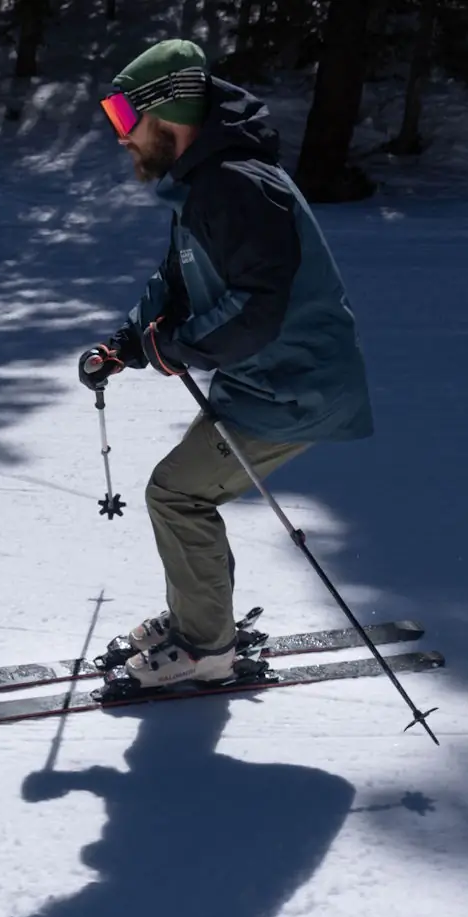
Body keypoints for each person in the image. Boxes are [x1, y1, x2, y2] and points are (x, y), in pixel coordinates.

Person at [80, 39, 375, 690]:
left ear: (169, 112)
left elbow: (257, 309)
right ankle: (200, 616)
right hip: (264, 379)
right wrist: (126, 345)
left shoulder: (238, 186)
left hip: (295, 385)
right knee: (182, 492)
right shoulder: (207, 183)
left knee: (178, 493)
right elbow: (177, 280)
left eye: (126, 117)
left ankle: (205, 647)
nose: (122, 136)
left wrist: (174, 348)